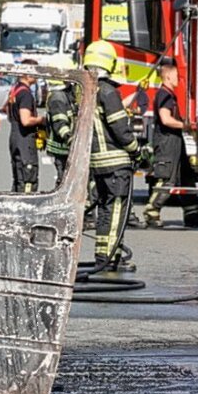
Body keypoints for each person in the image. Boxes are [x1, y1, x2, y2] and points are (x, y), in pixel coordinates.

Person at [84, 40, 140, 271]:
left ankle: (103, 257)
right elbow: (120, 130)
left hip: (98, 163)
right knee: (116, 212)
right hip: (116, 163)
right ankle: (109, 260)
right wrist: (136, 149)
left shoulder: (86, 92)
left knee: (105, 211)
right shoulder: (108, 91)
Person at [143, 58, 198, 228]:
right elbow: (166, 119)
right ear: (167, 78)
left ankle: (192, 214)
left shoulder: (168, 95)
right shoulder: (165, 95)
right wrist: (185, 125)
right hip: (167, 141)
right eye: (175, 76)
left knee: (186, 176)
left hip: (175, 141)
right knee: (167, 179)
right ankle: (152, 212)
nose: (177, 79)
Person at [6, 63, 44, 193]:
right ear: (27, 75)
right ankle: (25, 210)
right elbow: (26, 120)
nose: (38, 75)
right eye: (36, 72)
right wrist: (42, 120)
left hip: (15, 138)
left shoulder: (15, 90)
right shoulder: (26, 94)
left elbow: (7, 112)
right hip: (25, 142)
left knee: (18, 179)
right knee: (28, 180)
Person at [45, 74, 76, 189]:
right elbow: (60, 123)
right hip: (62, 148)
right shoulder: (58, 98)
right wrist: (70, 139)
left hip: (65, 148)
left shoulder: (64, 95)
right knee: (65, 182)